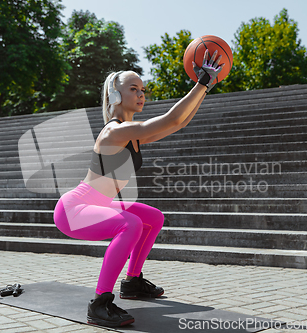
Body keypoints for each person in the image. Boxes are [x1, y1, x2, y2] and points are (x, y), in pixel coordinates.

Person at [53, 49, 224, 328]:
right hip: (73, 210)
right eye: (133, 89)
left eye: (143, 89)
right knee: (130, 224)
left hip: (98, 205)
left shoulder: (131, 134)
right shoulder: (114, 131)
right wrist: (201, 83)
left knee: (152, 218)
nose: (141, 94)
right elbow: (170, 119)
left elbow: (177, 123)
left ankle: (133, 281)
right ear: (115, 95)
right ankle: (100, 303)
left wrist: (205, 88)